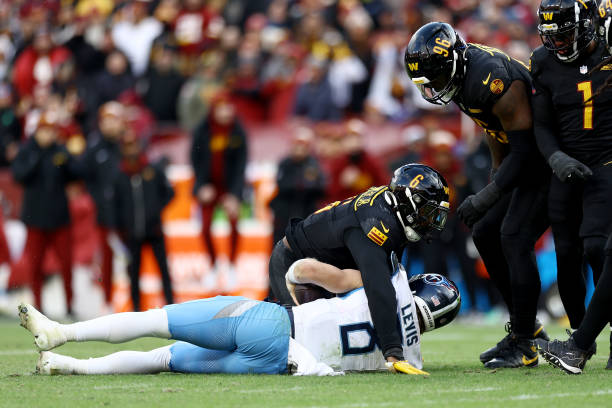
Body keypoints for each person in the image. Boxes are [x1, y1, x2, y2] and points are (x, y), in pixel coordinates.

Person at [17, 253, 460, 376]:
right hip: (277, 365)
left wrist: (295, 281)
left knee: (157, 320)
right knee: (165, 359)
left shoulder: (393, 280)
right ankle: (65, 365)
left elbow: (306, 270)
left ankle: (61, 334)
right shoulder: (410, 360)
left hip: (272, 325)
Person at [404, 22, 551, 368]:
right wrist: (494, 178)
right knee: (485, 232)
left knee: (513, 237)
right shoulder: (462, 78)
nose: (433, 88)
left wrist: (489, 193)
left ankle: (526, 342)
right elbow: (494, 132)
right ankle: (525, 327)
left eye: (435, 78)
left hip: (547, 159)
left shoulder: (491, 79)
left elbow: (527, 149)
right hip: (523, 159)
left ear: (452, 63)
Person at [268, 163, 450, 366]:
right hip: (292, 266)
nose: (432, 221)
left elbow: (390, 279)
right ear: (410, 202)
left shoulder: (393, 210)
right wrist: (394, 351)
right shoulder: (375, 222)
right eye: (428, 212)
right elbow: (379, 288)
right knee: (294, 347)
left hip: (323, 267)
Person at [536, 0, 612, 373]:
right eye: (554, 37)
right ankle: (582, 337)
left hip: (607, 163)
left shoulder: (609, 49)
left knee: (599, 247)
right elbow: (542, 124)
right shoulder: (543, 61)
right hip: (565, 167)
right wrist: (555, 158)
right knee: (567, 255)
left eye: (566, 35)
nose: (560, 45)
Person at [10, 112, 78, 314]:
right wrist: (37, 159)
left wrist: (68, 160)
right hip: (35, 217)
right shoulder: (27, 150)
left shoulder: (60, 151)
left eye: (50, 130)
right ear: (37, 131)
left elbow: (75, 174)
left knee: (66, 264)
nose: (47, 135)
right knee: (35, 265)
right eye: (44, 130)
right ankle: (37, 306)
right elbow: (18, 176)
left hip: (59, 217)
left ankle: (69, 305)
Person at [114, 133, 175, 311]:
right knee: (134, 274)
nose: (131, 150)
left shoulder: (153, 170)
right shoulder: (120, 175)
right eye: (127, 146)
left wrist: (155, 209)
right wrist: (121, 226)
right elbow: (115, 204)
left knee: (164, 270)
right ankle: (136, 310)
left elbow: (170, 193)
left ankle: (172, 306)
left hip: (154, 230)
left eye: (134, 145)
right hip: (132, 233)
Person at [190, 94, 247, 275]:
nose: (225, 113)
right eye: (221, 108)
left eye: (228, 108)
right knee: (205, 227)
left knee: (235, 225)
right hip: (208, 187)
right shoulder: (202, 130)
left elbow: (241, 166)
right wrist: (200, 186)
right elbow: (195, 161)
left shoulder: (238, 132)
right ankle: (213, 265)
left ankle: (231, 266)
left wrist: (235, 195)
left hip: (229, 188)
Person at [80, 102, 124, 308]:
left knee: (132, 258)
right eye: (106, 120)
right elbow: (85, 176)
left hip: (127, 214)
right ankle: (107, 301)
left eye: (113, 120)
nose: (110, 125)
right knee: (105, 259)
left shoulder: (128, 145)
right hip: (104, 214)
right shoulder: (95, 148)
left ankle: (134, 301)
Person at [269, 127, 326, 244]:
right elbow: (282, 185)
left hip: (306, 210)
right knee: (279, 242)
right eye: (297, 145)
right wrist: (302, 185)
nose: (299, 149)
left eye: (303, 146)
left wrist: (302, 185)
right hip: (285, 211)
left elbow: (320, 187)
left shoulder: (313, 163)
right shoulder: (285, 163)